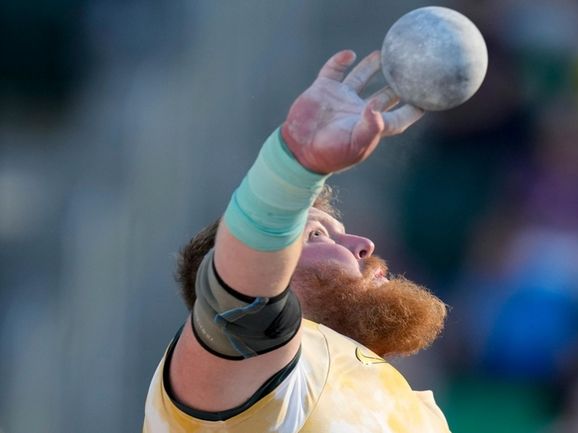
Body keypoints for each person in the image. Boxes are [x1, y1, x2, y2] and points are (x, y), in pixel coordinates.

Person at [143, 50, 450, 432]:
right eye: (318, 235)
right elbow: (242, 301)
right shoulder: (248, 377)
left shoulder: (403, 402)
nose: (364, 244)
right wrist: (290, 169)